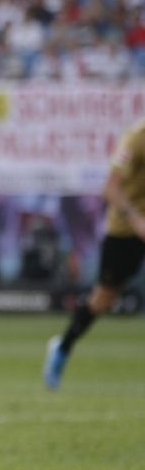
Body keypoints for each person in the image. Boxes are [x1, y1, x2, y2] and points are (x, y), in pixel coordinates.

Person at [43, 117, 145, 390]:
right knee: (104, 298)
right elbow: (110, 187)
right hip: (126, 230)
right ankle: (63, 347)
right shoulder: (137, 137)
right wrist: (136, 220)